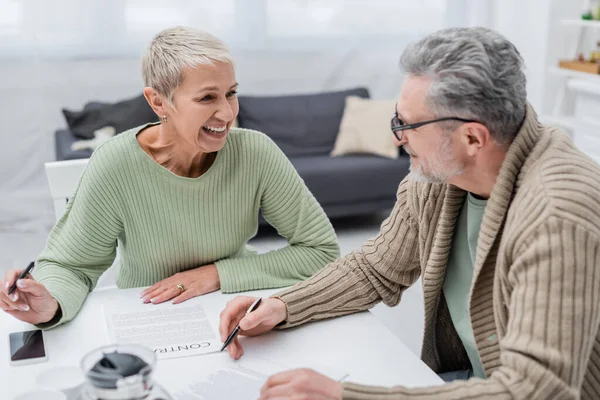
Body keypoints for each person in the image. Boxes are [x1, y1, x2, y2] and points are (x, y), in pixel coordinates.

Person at [219, 27, 600, 399]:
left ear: (472, 138)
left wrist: (343, 396)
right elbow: (377, 268)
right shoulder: (437, 175)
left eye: (408, 124)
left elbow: (535, 389)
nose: (396, 137)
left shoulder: (557, 214)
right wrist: (282, 305)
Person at [0, 26, 339, 328]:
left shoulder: (255, 152)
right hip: (149, 314)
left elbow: (321, 250)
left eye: (231, 93)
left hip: (235, 306)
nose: (228, 112)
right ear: (159, 102)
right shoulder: (116, 164)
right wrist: (50, 305)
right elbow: (72, 265)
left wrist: (214, 275)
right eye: (207, 97)